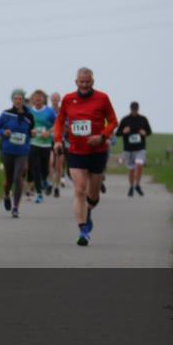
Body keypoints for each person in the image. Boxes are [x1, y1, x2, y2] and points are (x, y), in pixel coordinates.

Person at [53, 68, 117, 246]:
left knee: (93, 195)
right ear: (76, 82)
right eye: (81, 82)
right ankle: (83, 230)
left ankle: (89, 209)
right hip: (76, 151)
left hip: (97, 152)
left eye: (87, 82)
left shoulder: (102, 98)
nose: (84, 85)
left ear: (92, 82)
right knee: (79, 189)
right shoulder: (68, 99)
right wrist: (58, 140)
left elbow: (113, 121)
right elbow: (59, 121)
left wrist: (102, 137)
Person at [0, 89, 35, 217]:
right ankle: (6, 194)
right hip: (8, 150)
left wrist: (32, 134)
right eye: (15, 98)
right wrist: (3, 133)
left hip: (22, 151)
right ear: (12, 100)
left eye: (20, 98)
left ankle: (16, 207)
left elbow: (31, 131)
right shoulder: (6, 114)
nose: (18, 101)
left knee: (18, 178)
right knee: (9, 180)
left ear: (23, 100)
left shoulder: (29, 115)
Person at [116, 101, 153, 197]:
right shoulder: (125, 120)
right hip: (128, 149)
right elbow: (118, 133)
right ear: (130, 109)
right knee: (131, 169)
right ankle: (131, 187)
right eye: (133, 109)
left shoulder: (143, 119)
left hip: (140, 148)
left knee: (139, 165)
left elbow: (149, 131)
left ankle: (137, 184)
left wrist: (145, 132)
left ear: (138, 109)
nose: (134, 111)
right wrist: (124, 131)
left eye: (135, 109)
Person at [28, 89, 56, 203]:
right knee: (35, 168)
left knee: (45, 168)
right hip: (33, 143)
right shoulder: (29, 112)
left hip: (46, 144)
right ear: (32, 100)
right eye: (35, 98)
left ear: (44, 99)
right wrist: (30, 131)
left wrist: (48, 133)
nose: (37, 99)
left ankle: (44, 180)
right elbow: (26, 126)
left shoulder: (49, 112)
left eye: (40, 98)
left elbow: (57, 125)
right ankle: (39, 194)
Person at [48, 92, 66, 198]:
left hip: (60, 140)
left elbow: (67, 123)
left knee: (59, 166)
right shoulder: (47, 111)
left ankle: (57, 187)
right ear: (51, 99)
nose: (55, 100)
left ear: (59, 100)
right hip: (49, 141)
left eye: (56, 99)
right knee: (50, 163)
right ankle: (50, 183)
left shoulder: (62, 111)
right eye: (53, 99)